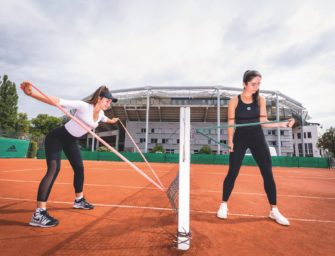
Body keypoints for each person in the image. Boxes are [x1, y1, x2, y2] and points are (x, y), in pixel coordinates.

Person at [20, 82, 119, 227]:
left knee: (79, 168)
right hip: (57, 138)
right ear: (99, 98)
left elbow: (106, 119)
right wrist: (31, 94)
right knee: (54, 170)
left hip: (71, 141)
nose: (109, 104)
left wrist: (113, 120)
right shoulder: (84, 106)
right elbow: (57, 101)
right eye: (107, 100)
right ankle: (38, 214)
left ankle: (79, 201)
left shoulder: (101, 114)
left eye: (110, 102)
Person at [217, 70, 295, 226]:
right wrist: (230, 140)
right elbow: (231, 124)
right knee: (232, 172)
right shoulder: (234, 101)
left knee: (267, 173)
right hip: (240, 139)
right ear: (244, 84)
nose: (256, 86)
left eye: (258, 84)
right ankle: (223, 205)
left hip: (258, 138)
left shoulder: (260, 100)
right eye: (253, 84)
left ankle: (274, 210)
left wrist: (281, 123)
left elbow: (264, 123)